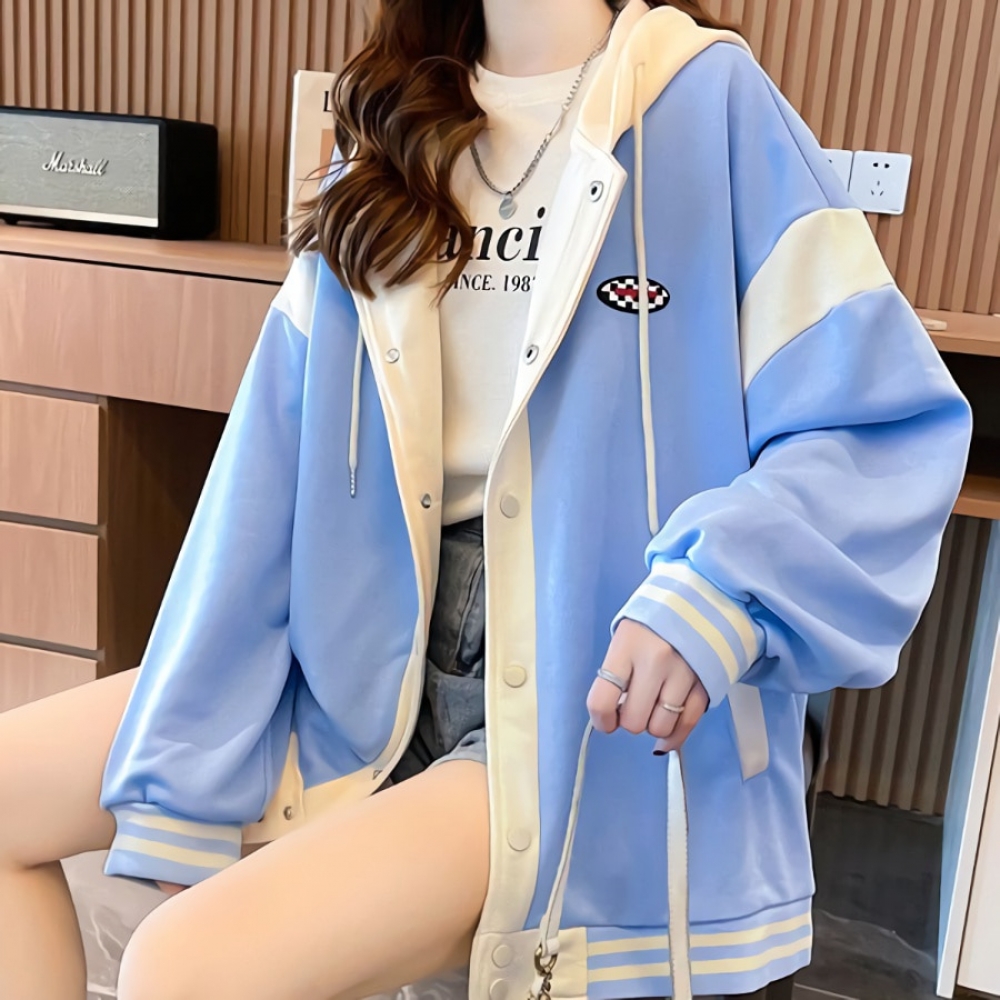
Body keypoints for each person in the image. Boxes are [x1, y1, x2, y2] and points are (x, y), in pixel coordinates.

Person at [0, 1, 972, 998]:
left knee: (183, 966)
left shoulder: (706, 102)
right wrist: (185, 777)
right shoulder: (392, 125)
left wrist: (714, 586)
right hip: (356, 655)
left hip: (579, 690)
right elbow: (268, 473)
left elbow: (880, 424)